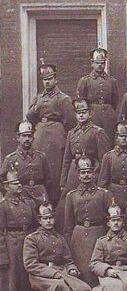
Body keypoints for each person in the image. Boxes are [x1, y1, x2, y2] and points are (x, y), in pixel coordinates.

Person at [23, 201, 92, 291]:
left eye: (51, 218)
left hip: (61, 272)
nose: (49, 221)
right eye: (45, 218)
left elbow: (68, 260)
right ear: (39, 220)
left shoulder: (60, 238)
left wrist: (72, 269)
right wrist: (53, 273)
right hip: (39, 276)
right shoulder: (31, 239)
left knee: (83, 288)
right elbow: (30, 264)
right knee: (59, 286)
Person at [26, 60, 77, 203]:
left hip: (56, 136)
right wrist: (35, 108)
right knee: (39, 165)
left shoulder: (63, 98)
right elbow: (29, 117)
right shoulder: (38, 97)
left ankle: (54, 200)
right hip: (40, 136)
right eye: (44, 80)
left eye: (49, 79)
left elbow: (71, 123)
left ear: (56, 79)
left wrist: (63, 137)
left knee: (55, 168)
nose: (47, 82)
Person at [63, 156, 113, 286]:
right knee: (80, 272)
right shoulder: (71, 196)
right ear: (78, 176)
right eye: (83, 172)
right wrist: (69, 244)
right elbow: (68, 225)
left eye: (89, 172)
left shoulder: (103, 194)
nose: (86, 175)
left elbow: (110, 220)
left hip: (98, 235)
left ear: (94, 174)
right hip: (78, 238)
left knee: (97, 271)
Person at [0, 168, 37, 291]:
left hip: (28, 241)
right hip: (12, 244)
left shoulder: (28, 202)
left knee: (28, 278)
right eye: (14, 183)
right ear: (6, 186)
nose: (19, 185)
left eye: (19, 182)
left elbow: (35, 223)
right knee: (15, 280)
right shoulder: (3, 206)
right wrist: (3, 256)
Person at [59, 97, 111, 197]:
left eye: (84, 112)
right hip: (73, 175)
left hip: (92, 173)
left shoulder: (98, 132)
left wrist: (101, 182)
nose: (81, 115)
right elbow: (66, 160)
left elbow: (104, 161)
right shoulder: (71, 133)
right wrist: (63, 182)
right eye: (78, 112)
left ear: (90, 113)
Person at [1, 121, 52, 205]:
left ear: (33, 138)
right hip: (21, 197)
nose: (27, 139)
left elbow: (48, 179)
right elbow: (2, 182)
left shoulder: (41, 157)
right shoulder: (10, 159)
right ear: (18, 138)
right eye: (24, 136)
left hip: (40, 196)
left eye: (29, 136)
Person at [76, 48, 120, 143]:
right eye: (97, 63)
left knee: (108, 141)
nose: (100, 65)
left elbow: (115, 102)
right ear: (92, 63)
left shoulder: (112, 81)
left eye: (102, 63)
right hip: (92, 117)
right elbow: (81, 103)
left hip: (108, 118)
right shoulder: (85, 81)